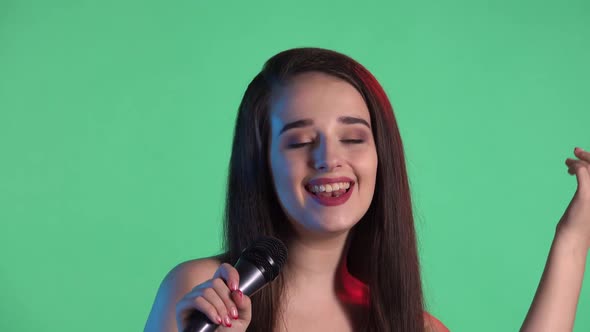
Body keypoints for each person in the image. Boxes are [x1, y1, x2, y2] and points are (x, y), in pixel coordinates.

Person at [144, 47, 590, 332]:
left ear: (381, 157)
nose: (328, 159)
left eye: (353, 137)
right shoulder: (201, 293)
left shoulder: (412, 328)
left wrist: (574, 236)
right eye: (300, 141)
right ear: (261, 163)